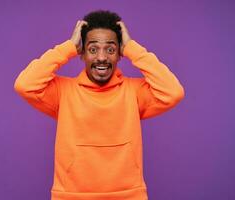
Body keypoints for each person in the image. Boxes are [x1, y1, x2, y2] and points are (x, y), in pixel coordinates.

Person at [14, 10, 185, 200]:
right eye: (93, 49)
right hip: (71, 196)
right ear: (82, 53)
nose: (102, 57)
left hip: (129, 196)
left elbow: (172, 91)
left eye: (111, 49)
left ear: (120, 54)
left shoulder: (134, 92)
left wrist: (131, 47)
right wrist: (68, 47)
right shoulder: (64, 92)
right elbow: (25, 84)